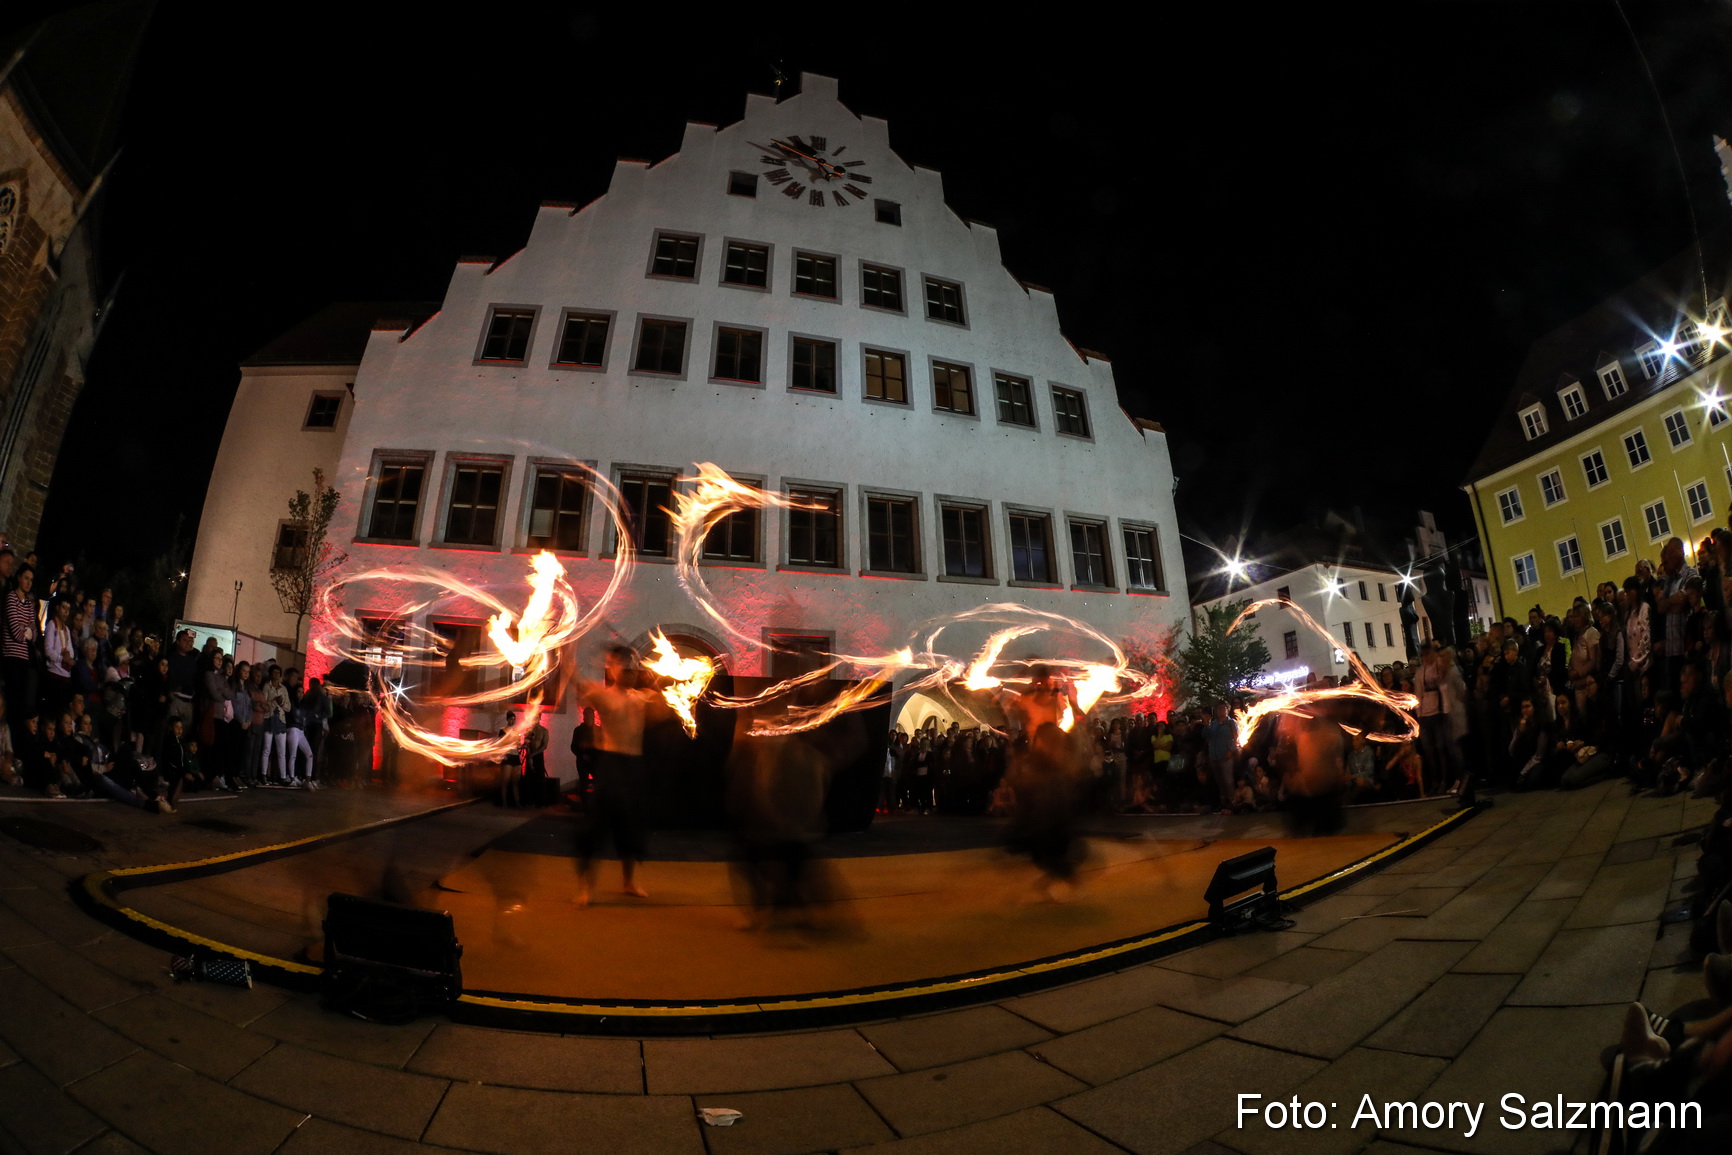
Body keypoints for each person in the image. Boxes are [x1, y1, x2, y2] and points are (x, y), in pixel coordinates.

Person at [570, 646, 657, 905]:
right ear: (614, 668)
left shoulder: (643, 698)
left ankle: (628, 882)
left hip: (633, 767)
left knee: (630, 825)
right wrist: (565, 655)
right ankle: (586, 888)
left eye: (633, 669)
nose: (630, 674)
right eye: (625, 668)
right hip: (611, 765)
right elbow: (576, 679)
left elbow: (669, 704)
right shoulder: (603, 695)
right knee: (596, 827)